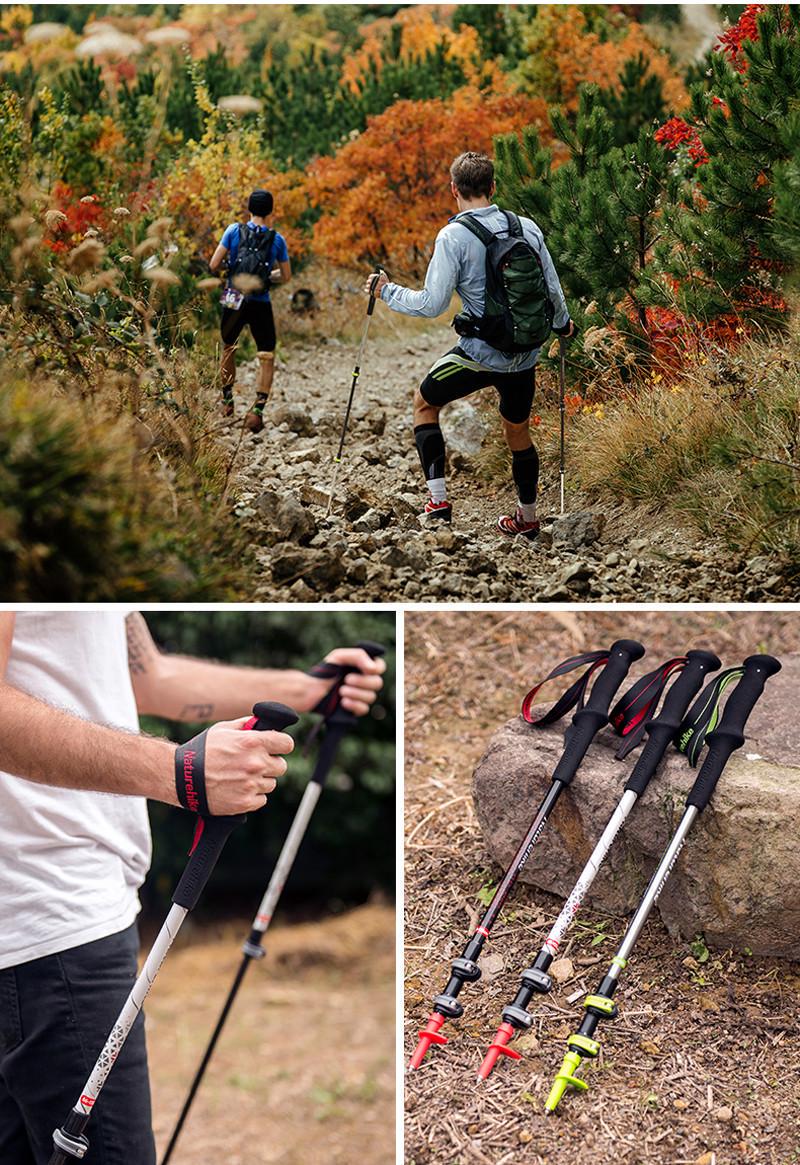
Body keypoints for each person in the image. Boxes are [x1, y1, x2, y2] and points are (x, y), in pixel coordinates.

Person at [0, 611, 385, 1164]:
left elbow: (146, 674)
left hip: (46, 915)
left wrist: (308, 689)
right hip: (51, 917)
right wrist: (176, 770)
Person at [365, 151, 574, 539]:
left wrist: (386, 292)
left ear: (453, 190)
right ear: (493, 187)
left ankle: (438, 502)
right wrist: (563, 326)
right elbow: (552, 288)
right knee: (518, 432)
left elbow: (432, 304)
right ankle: (527, 518)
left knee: (425, 403)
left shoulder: (453, 236)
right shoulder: (526, 227)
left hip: (478, 355)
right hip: (524, 354)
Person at [209, 189, 292, 433]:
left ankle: (227, 402)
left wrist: (234, 271)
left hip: (233, 294)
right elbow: (286, 276)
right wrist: (266, 276)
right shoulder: (277, 240)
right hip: (260, 300)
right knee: (266, 354)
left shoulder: (233, 231)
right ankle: (257, 411)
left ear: (249, 209)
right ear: (271, 211)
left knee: (228, 347)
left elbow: (214, 264)